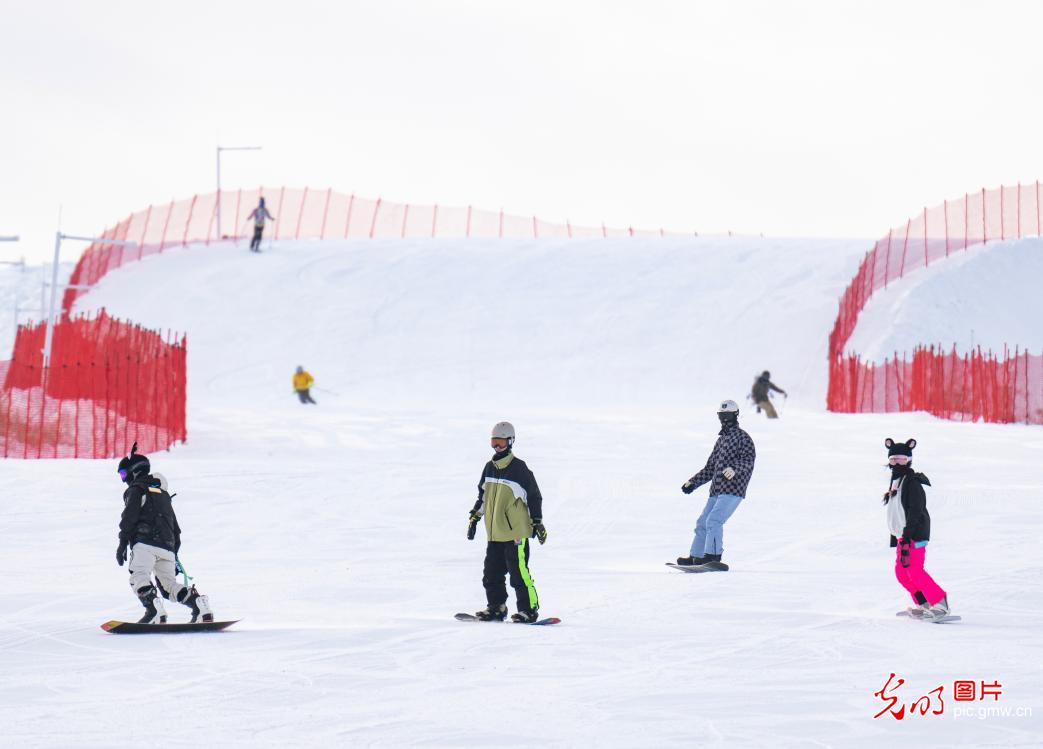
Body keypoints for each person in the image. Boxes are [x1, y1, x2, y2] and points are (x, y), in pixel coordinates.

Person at [115, 443, 213, 624]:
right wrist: (174, 554)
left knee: (139, 576)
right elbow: (175, 527)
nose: (123, 479)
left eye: (123, 474)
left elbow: (129, 517)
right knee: (168, 586)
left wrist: (122, 543)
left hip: (144, 543)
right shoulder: (163, 495)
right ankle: (199, 605)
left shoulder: (136, 490)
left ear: (134, 471)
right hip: (167, 547)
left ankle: (154, 611)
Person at [466, 422, 547, 622]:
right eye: (494, 442)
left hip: (515, 533)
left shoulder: (519, 469)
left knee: (519, 574)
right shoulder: (489, 468)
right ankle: (496, 607)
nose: (497, 447)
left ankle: (529, 610)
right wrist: (475, 517)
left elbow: (534, 496)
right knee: (490, 573)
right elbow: (483, 497)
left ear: (510, 442)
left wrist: (537, 522)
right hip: (495, 533)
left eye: (501, 442)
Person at [677, 400, 756, 569]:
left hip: (733, 488)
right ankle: (697, 557)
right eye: (721, 416)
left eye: (727, 416)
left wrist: (735, 469)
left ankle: (713, 556)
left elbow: (748, 460)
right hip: (717, 489)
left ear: (735, 415)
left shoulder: (743, 438)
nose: (724, 419)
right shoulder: (721, 441)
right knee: (702, 522)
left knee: (714, 520)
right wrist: (693, 482)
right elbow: (710, 468)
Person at [883, 438, 949, 619]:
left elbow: (916, 511)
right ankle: (925, 604)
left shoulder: (911, 482)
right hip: (901, 536)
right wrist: (898, 536)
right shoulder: (896, 481)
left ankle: (940, 602)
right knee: (902, 573)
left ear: (909, 460)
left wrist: (908, 535)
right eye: (893, 459)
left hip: (914, 535)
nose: (897, 462)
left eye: (901, 459)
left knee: (914, 571)